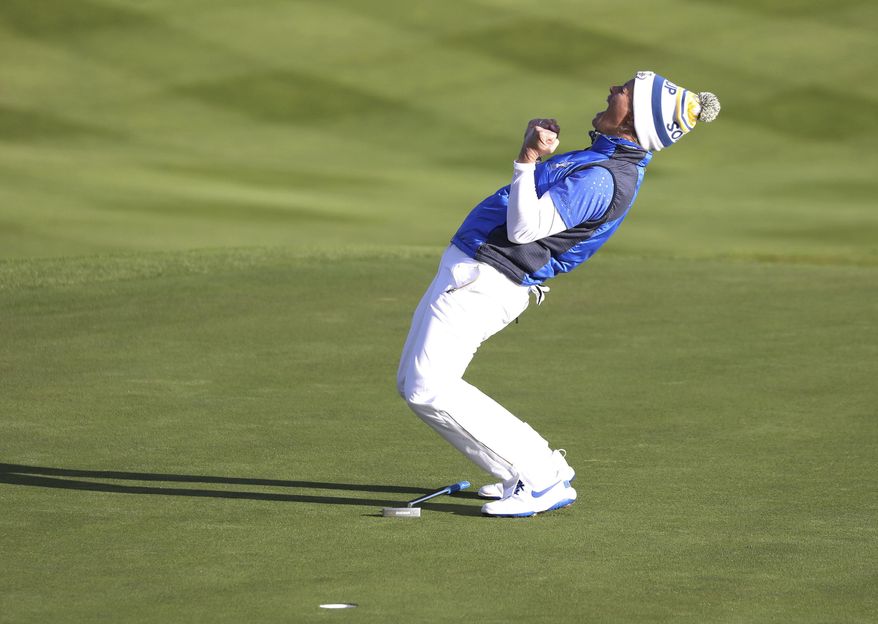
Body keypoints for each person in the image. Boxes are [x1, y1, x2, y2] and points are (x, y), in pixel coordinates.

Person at [396, 71, 721, 517]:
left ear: (634, 122)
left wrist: (527, 157)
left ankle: (540, 479)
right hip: (478, 275)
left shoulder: (603, 178)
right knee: (414, 382)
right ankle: (531, 470)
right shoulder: (604, 159)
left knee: (427, 386)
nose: (613, 89)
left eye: (624, 91)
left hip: (488, 282)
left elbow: (524, 228)